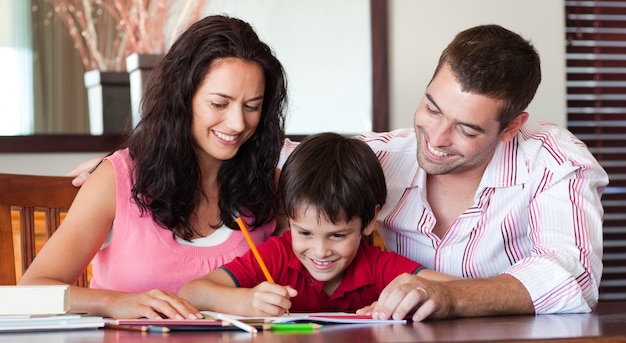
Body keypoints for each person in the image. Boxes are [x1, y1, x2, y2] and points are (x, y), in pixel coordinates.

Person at [69, 24, 610, 321]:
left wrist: (454, 298)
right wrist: (138, 159)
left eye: (467, 130)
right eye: (431, 108)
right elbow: (279, 151)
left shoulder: (555, 162)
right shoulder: (384, 156)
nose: (437, 138)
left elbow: (573, 277)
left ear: (511, 126)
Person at [19, 14, 288, 320]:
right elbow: (33, 289)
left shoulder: (269, 187)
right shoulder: (116, 178)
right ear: (182, 98)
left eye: (252, 106)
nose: (238, 123)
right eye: (219, 104)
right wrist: (115, 303)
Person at [178, 132, 454, 316]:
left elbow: (452, 289)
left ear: (369, 221)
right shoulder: (277, 256)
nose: (320, 251)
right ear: (290, 218)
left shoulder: (378, 266)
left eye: (337, 235)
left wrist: (400, 302)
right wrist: (247, 302)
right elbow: (193, 292)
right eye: (305, 232)